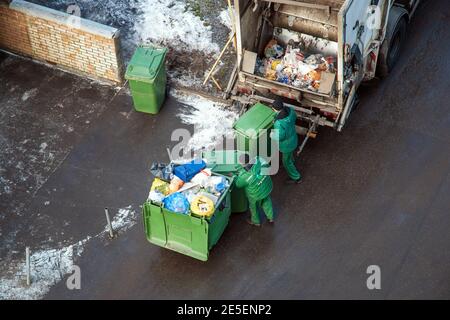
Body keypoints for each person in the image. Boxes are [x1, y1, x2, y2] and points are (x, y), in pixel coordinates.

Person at [235, 154, 274, 227]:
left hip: (255, 194)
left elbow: (238, 184)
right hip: (266, 187)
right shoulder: (259, 159)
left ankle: (256, 221)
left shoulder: (245, 176)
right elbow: (267, 166)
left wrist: (238, 174)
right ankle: (271, 217)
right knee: (266, 201)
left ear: (243, 165)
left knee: (254, 207)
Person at [270, 97, 302, 184]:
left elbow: (279, 136)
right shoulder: (290, 111)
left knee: (286, 162)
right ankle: (291, 161)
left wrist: (272, 135)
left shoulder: (278, 123)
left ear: (275, 109)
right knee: (289, 155)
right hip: (293, 139)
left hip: (286, 145)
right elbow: (294, 117)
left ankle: (296, 177)